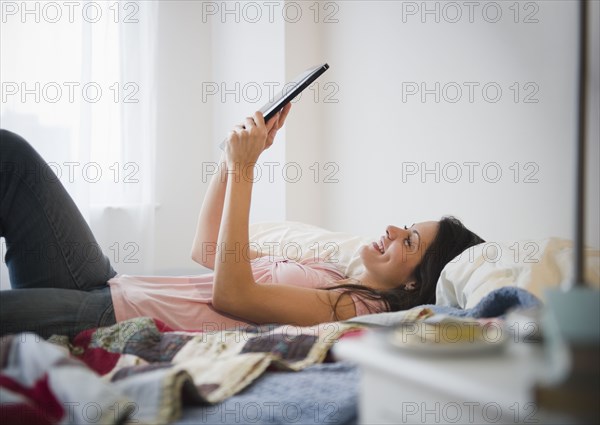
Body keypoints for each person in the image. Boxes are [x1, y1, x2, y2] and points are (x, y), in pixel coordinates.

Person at [0, 106, 484, 339]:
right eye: (404, 226)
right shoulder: (332, 273)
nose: (393, 232)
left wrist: (247, 170)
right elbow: (208, 251)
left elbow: (232, 295)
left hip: (110, 316)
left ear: (417, 279)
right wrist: (233, 160)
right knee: (13, 156)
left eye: (410, 241)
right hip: (108, 283)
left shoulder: (352, 310)